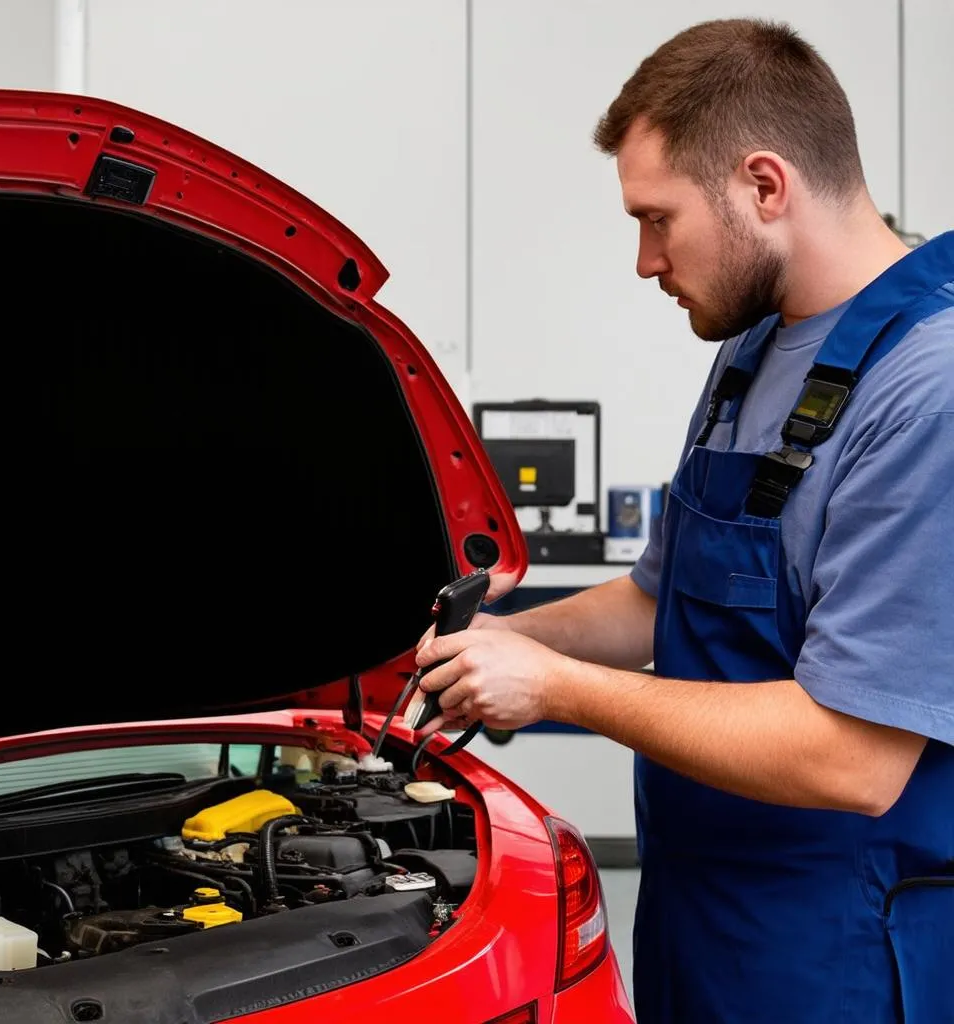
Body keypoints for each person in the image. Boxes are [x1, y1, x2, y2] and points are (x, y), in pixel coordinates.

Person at [415, 18, 954, 1024]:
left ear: (763, 184)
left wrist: (557, 687)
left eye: (657, 218)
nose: (642, 259)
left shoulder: (929, 388)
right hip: (703, 914)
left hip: (843, 948)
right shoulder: (754, 344)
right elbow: (658, 595)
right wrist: (503, 642)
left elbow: (853, 755)